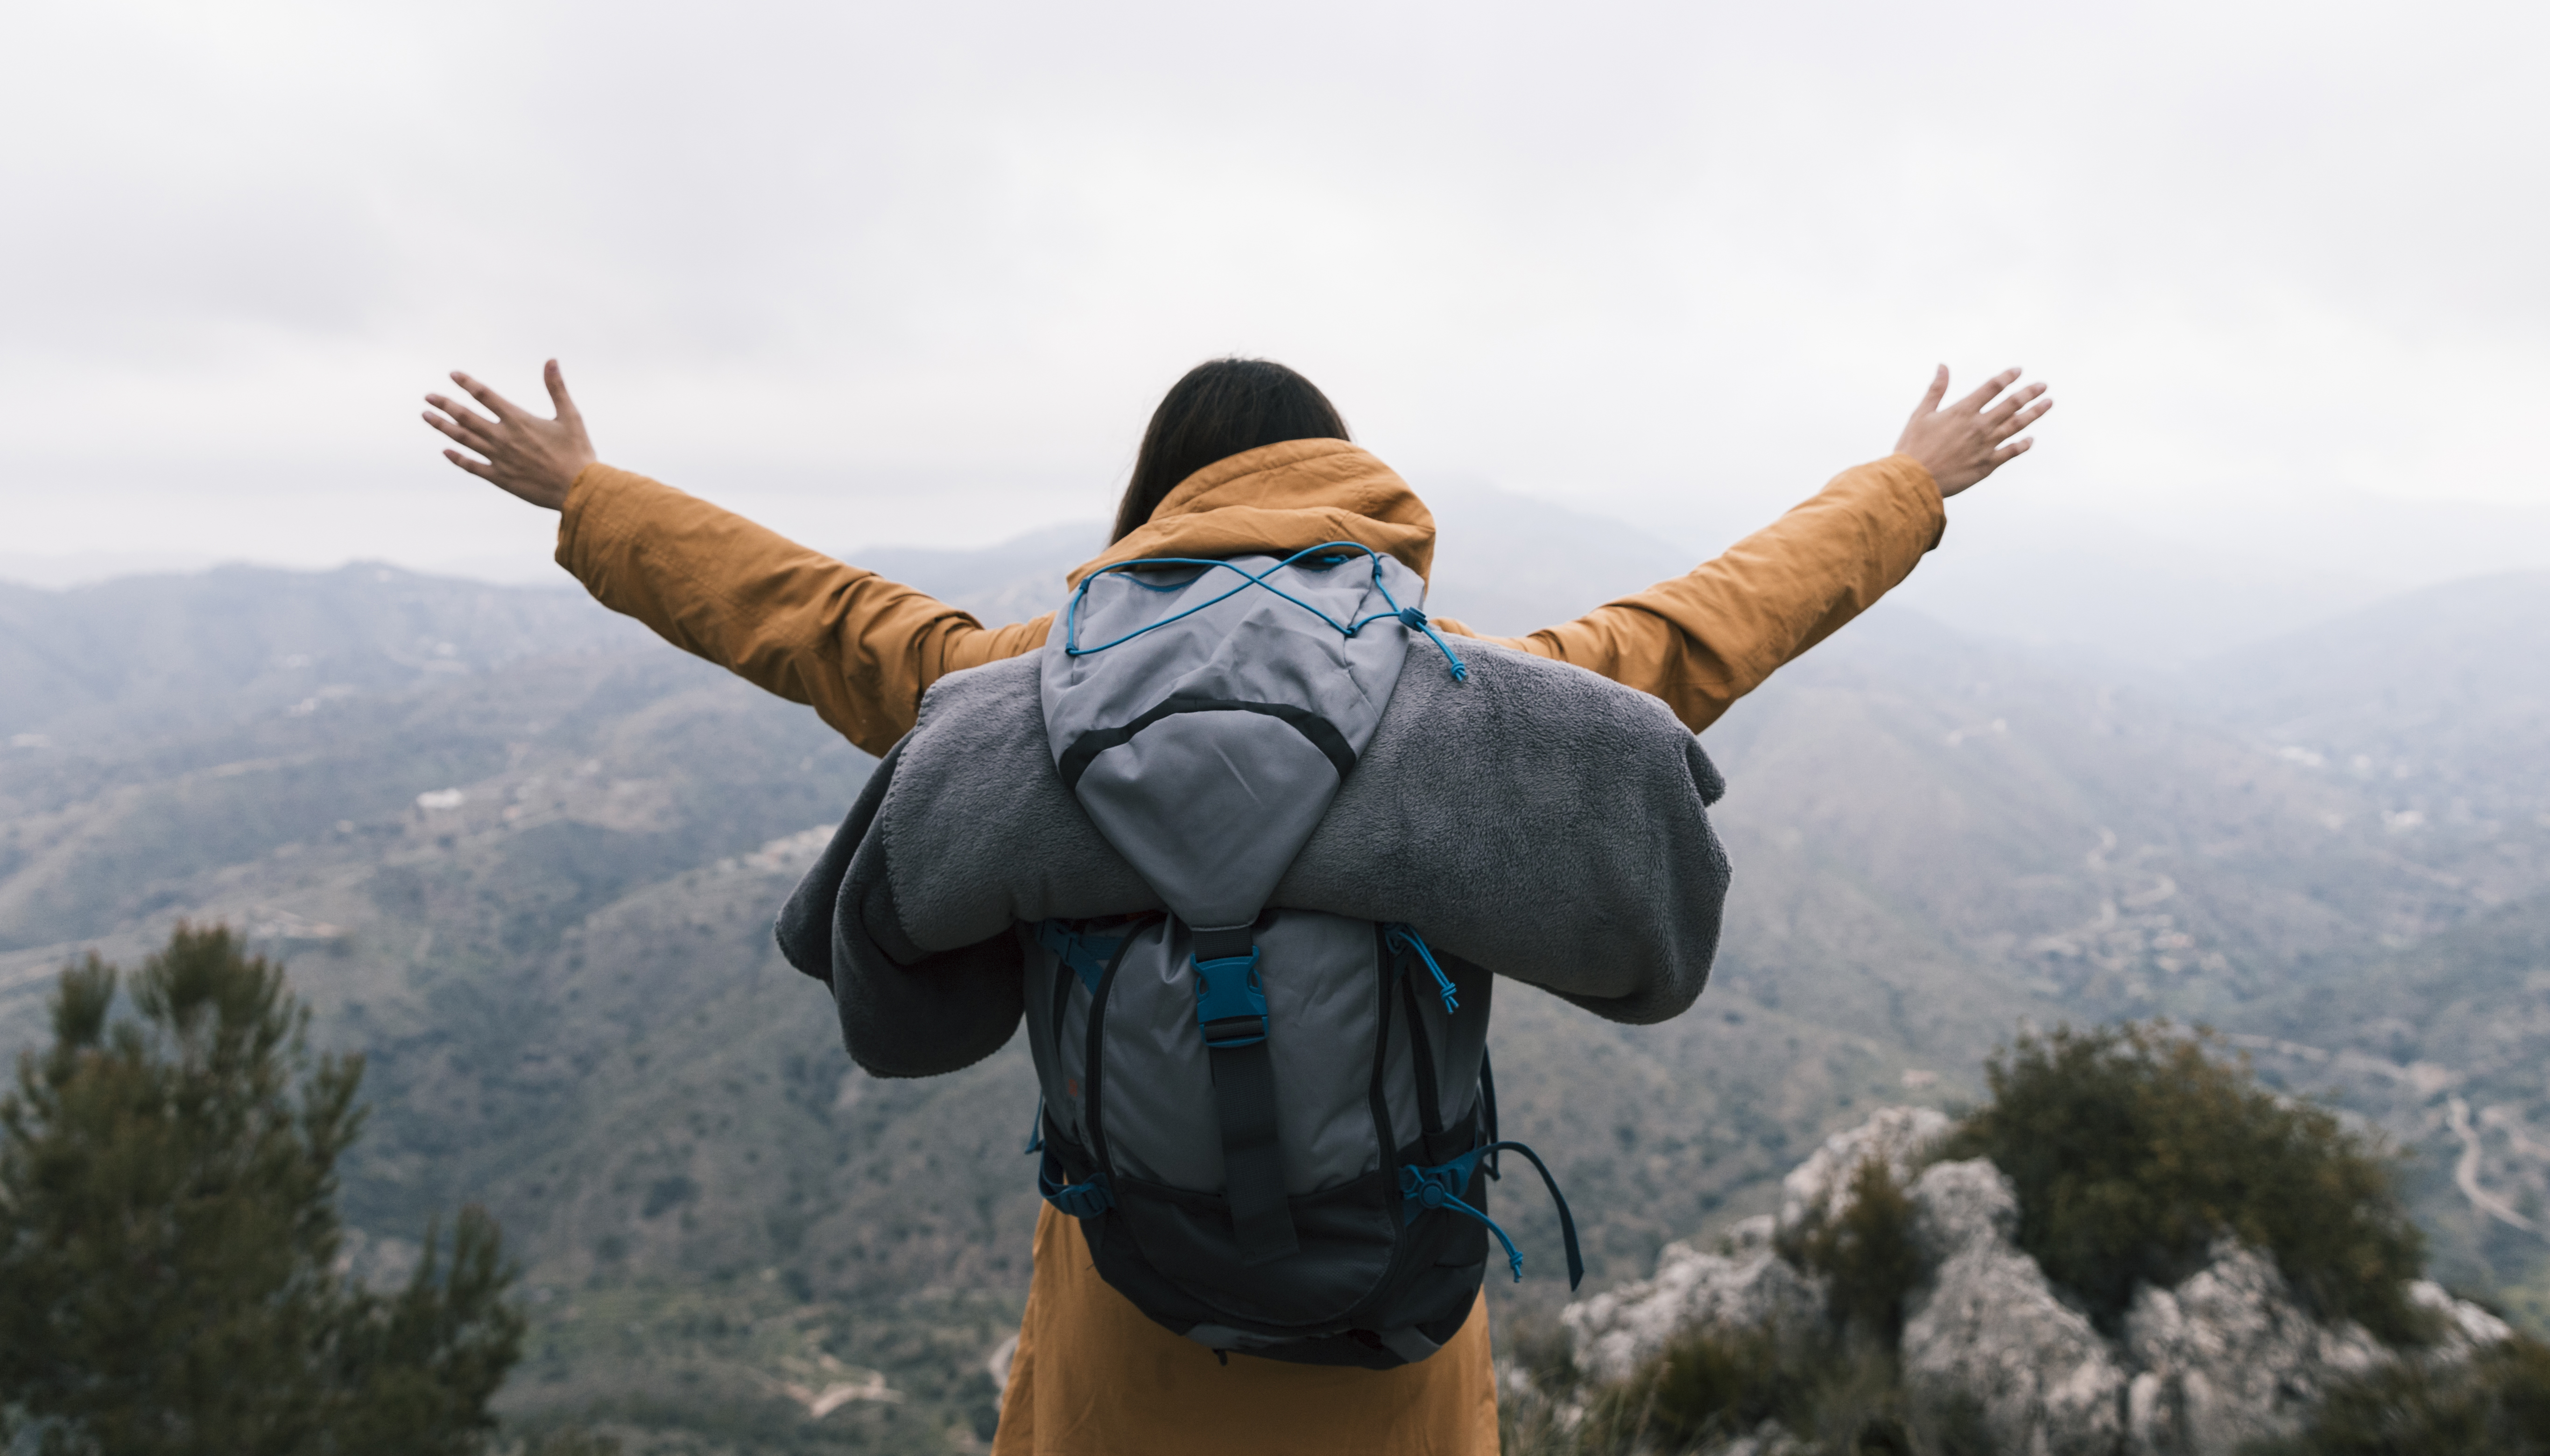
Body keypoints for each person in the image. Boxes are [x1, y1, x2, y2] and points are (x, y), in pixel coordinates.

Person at [422, 354, 2047, 1456]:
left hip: (1127, 1348)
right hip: (1388, 1355)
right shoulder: (1475, 719)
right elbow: (1706, 628)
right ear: (1349, 496)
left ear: (1157, 506)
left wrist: (591, 497)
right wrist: (1908, 484)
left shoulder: (1023, 701)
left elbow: (821, 620)